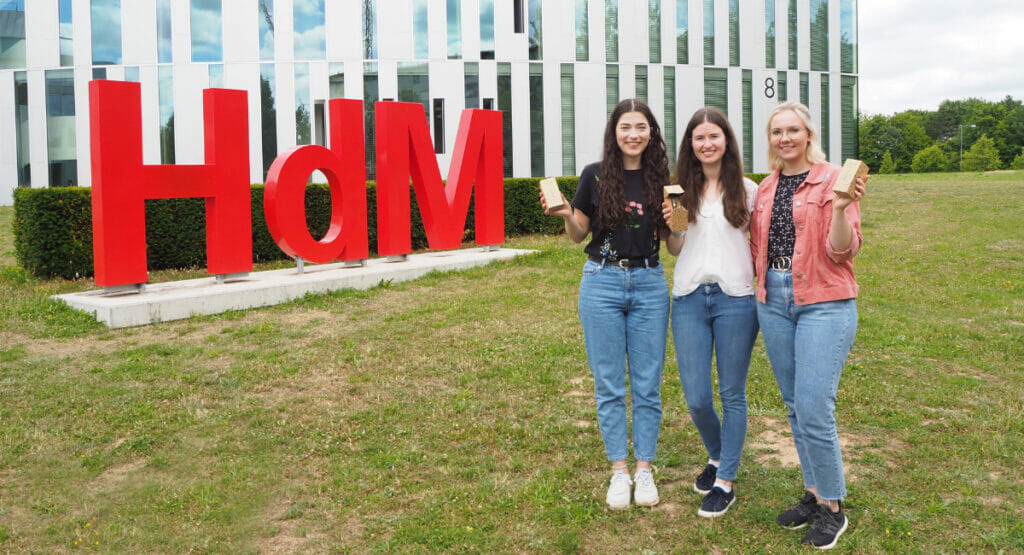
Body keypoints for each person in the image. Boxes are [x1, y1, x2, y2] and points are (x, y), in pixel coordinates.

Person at [541, 99, 671, 509]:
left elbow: (677, 244)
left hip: (650, 281)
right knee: (610, 384)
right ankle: (619, 471)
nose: (634, 134)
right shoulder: (594, 176)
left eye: (641, 127)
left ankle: (645, 469)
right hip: (602, 282)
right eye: (625, 127)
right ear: (614, 133)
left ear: (652, 132)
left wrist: (683, 216)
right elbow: (578, 234)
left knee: (648, 384)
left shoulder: (665, 179)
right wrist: (565, 213)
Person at [750, 101, 867, 550]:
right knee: (796, 405)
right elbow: (758, 247)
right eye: (777, 131)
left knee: (815, 406)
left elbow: (843, 251)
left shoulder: (835, 179)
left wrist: (839, 209)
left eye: (793, 130)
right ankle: (814, 492)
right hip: (774, 300)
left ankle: (833, 508)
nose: (785, 138)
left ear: (808, 134)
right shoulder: (766, 188)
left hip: (824, 300)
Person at [661, 107, 759, 518]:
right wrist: (675, 223)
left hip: (736, 297)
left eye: (713, 136)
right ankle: (717, 453)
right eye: (699, 138)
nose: (707, 144)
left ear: (726, 141)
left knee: (732, 393)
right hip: (688, 297)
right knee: (698, 396)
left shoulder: (749, 190)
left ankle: (726, 479)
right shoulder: (679, 190)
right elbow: (675, 248)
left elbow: (761, 243)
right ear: (691, 145)